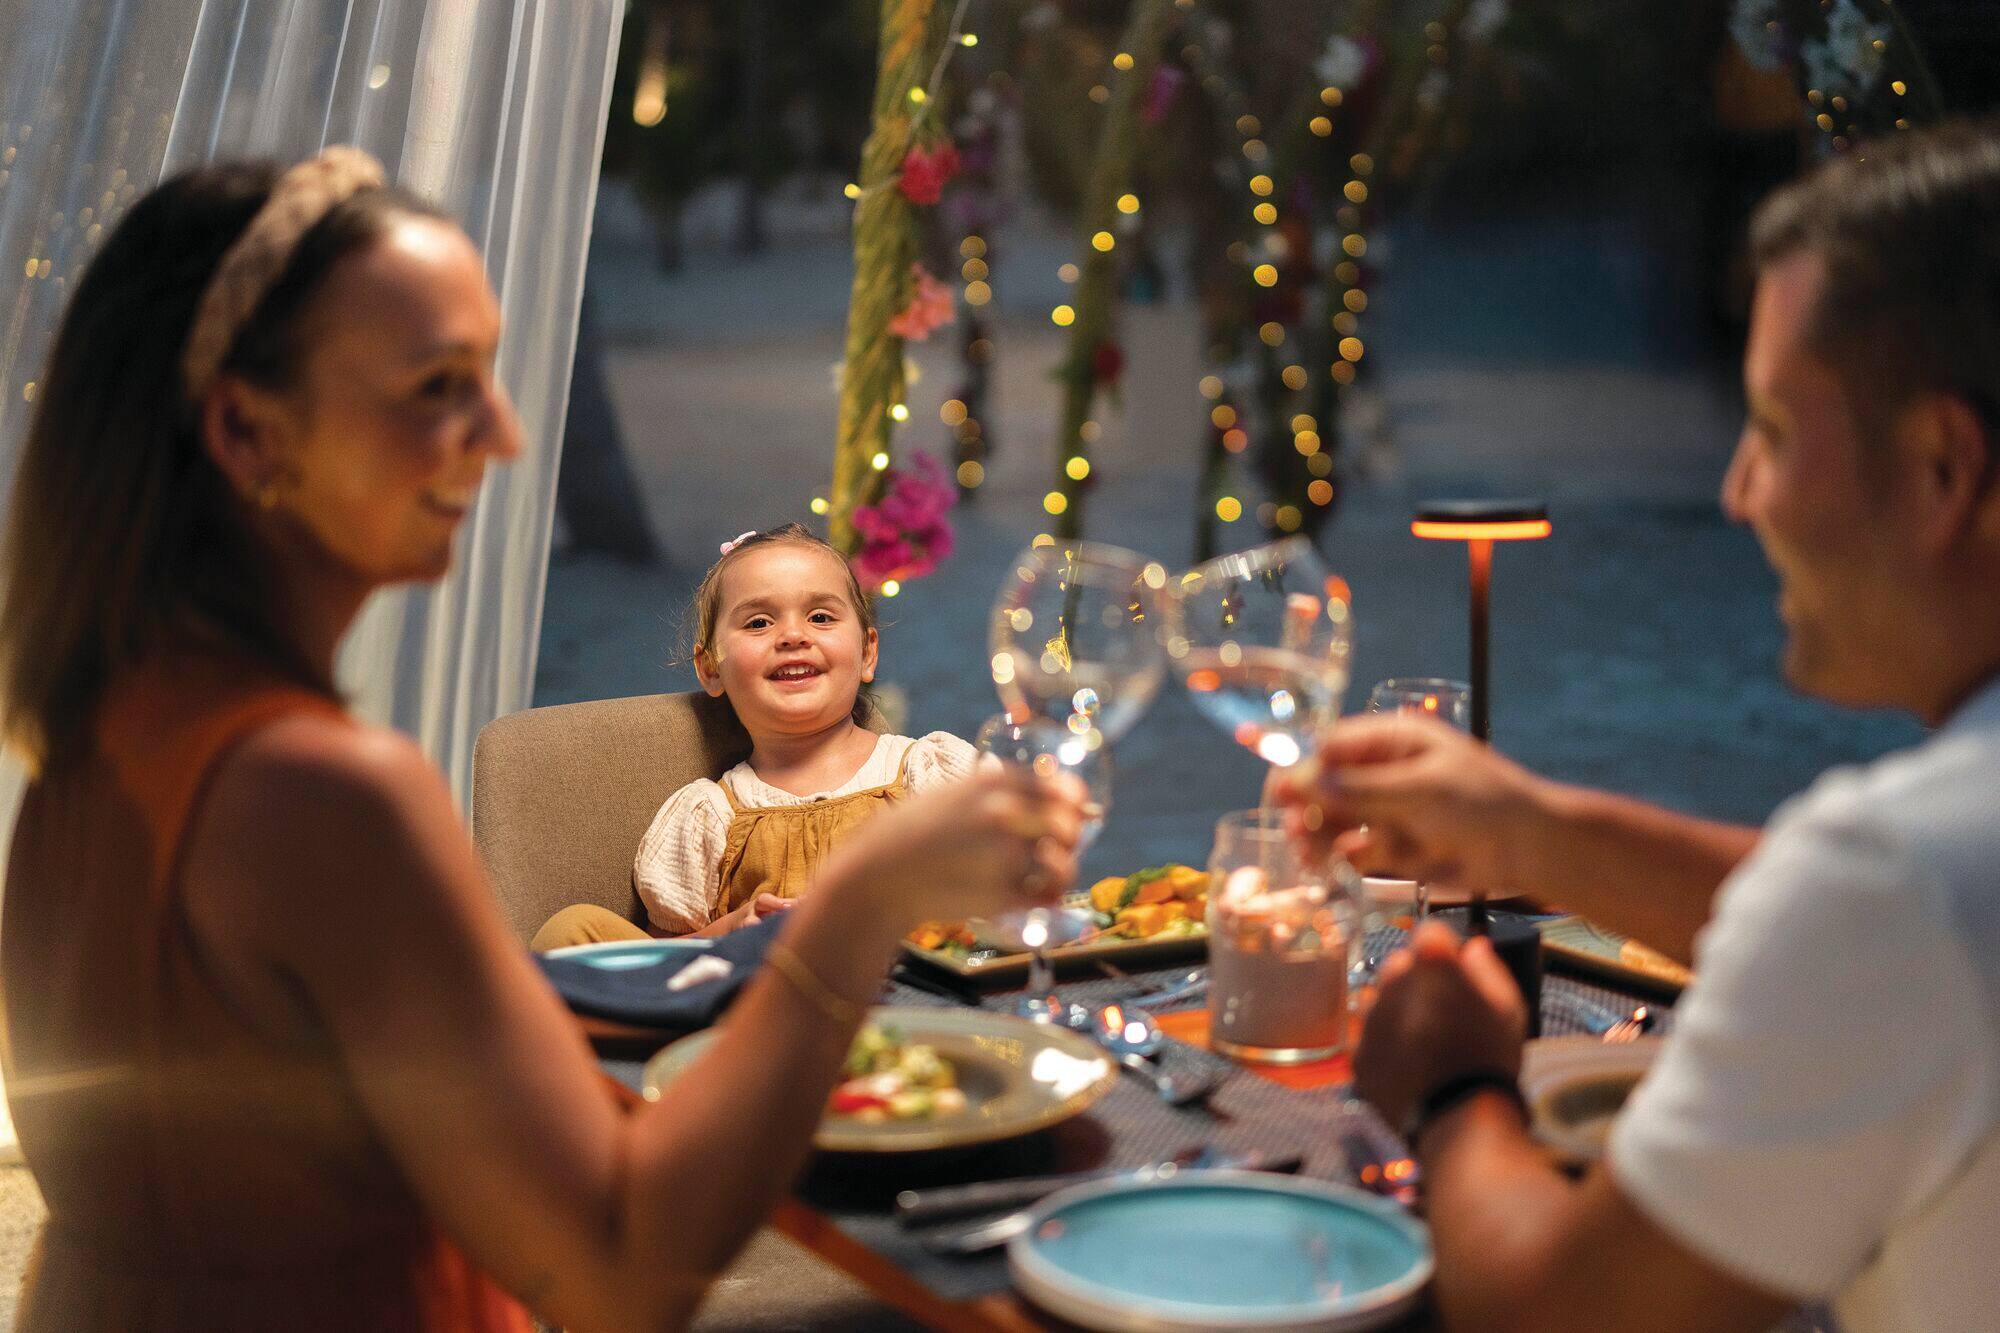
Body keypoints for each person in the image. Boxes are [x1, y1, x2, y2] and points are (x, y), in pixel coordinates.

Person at [0, 149, 1084, 1332]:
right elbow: (620, 1271)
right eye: (438, 385)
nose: (503, 433)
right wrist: (860, 900)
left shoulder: (106, 727)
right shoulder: (315, 789)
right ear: (251, 434)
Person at [1281, 120, 2000, 1331]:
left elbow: (1554, 1307)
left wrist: (1453, 1086)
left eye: (1770, 430)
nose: (1736, 492)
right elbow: (1882, 921)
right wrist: (1524, 830)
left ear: (1940, 465)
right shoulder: (1931, 880)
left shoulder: (1898, 880)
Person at [531, 524, 978, 948]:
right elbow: (662, 963)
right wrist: (730, 932)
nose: (793, 635)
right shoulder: (709, 817)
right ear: (710, 668)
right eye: (759, 623)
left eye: (820, 616)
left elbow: (1004, 894)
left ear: (867, 653)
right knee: (571, 931)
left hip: (904, 998)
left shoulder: (926, 774)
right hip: (754, 1009)